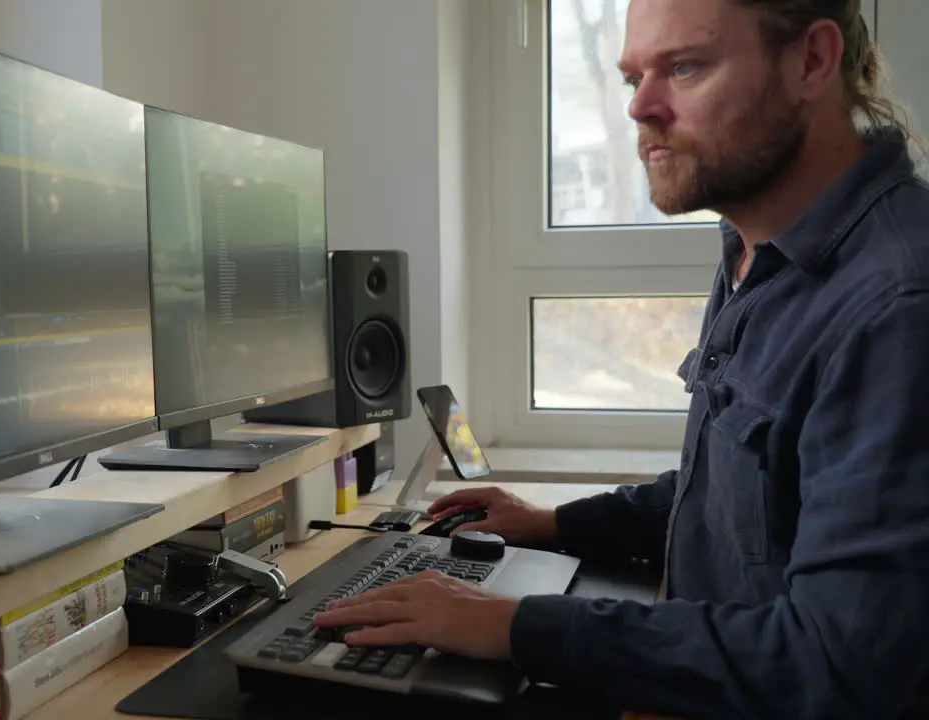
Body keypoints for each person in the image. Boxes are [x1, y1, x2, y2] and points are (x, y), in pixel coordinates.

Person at [312, 0, 929, 717]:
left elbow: (839, 663)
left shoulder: (896, 307)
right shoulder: (756, 250)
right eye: (634, 75)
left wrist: (515, 625)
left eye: (685, 67)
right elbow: (743, 497)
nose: (640, 105)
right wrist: (558, 523)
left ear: (812, 62)